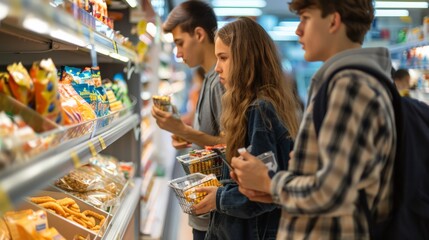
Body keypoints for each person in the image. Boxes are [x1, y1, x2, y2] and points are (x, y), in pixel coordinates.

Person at [231, 1, 397, 239]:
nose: (298, 30)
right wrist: (278, 189)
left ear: (333, 21)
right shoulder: (344, 82)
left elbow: (332, 191)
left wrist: (270, 183)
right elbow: (341, 185)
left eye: (305, 18)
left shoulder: (350, 86)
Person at [192, 17, 302, 240]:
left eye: (223, 58)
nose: (217, 68)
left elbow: (261, 193)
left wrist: (219, 198)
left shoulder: (260, 111)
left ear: (246, 60)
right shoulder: (258, 105)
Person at [151, 1, 224, 239]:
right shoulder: (207, 79)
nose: (178, 53)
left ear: (199, 34)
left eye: (180, 43)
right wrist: (185, 133)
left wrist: (183, 129)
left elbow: (229, 144)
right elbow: (213, 140)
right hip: (206, 209)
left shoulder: (219, 83)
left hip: (214, 214)